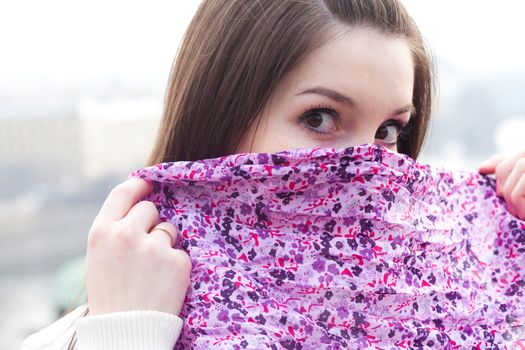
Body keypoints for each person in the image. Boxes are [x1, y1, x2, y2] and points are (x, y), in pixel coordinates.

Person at [21, 0, 525, 349]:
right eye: (320, 118)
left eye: (389, 131)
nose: (369, 169)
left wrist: (507, 247)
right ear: (222, 112)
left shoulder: (447, 293)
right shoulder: (77, 335)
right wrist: (127, 334)